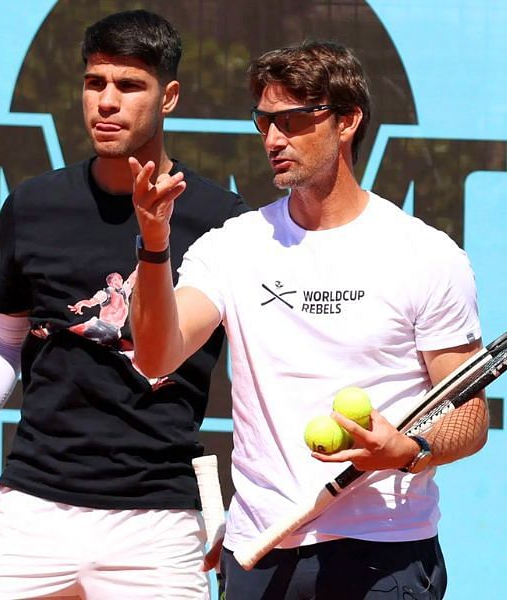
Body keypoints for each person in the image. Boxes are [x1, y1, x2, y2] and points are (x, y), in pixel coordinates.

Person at [129, 40, 489, 599]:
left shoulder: (427, 255)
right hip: (262, 552)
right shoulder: (233, 247)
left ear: (346, 121)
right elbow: (155, 354)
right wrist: (154, 244)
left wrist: (408, 452)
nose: (273, 139)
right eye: (264, 122)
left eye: (293, 121)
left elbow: (468, 416)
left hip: (385, 552)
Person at [0, 9, 247, 598]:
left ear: (168, 97)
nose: (106, 102)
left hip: (160, 517)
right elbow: (2, 337)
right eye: (95, 84)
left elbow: (257, 374)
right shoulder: (34, 204)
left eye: (129, 85)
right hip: (33, 505)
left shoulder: (223, 223)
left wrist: (238, 506)